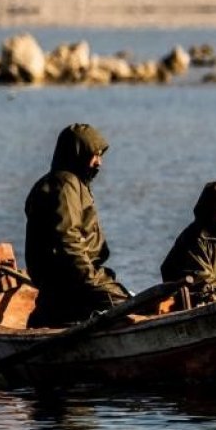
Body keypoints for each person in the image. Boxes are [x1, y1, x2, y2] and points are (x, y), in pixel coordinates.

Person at [24, 123, 130, 327]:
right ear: (78, 154)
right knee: (127, 306)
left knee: (129, 300)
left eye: (100, 156)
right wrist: (90, 280)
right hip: (71, 281)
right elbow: (67, 239)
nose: (99, 162)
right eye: (94, 155)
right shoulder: (65, 185)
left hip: (76, 278)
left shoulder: (71, 183)